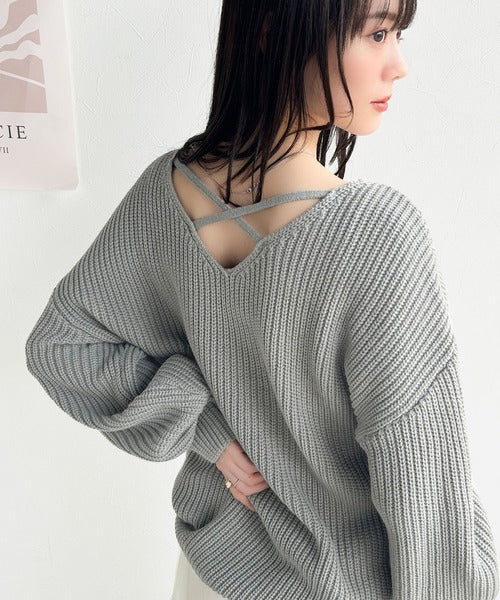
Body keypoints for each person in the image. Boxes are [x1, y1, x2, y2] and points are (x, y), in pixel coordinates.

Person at [25, 0, 499, 599]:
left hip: (214, 569)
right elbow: (420, 483)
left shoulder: (167, 190)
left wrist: (210, 431)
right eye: (377, 33)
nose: (399, 64)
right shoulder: (378, 236)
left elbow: (64, 345)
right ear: (276, 31)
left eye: (397, 34)